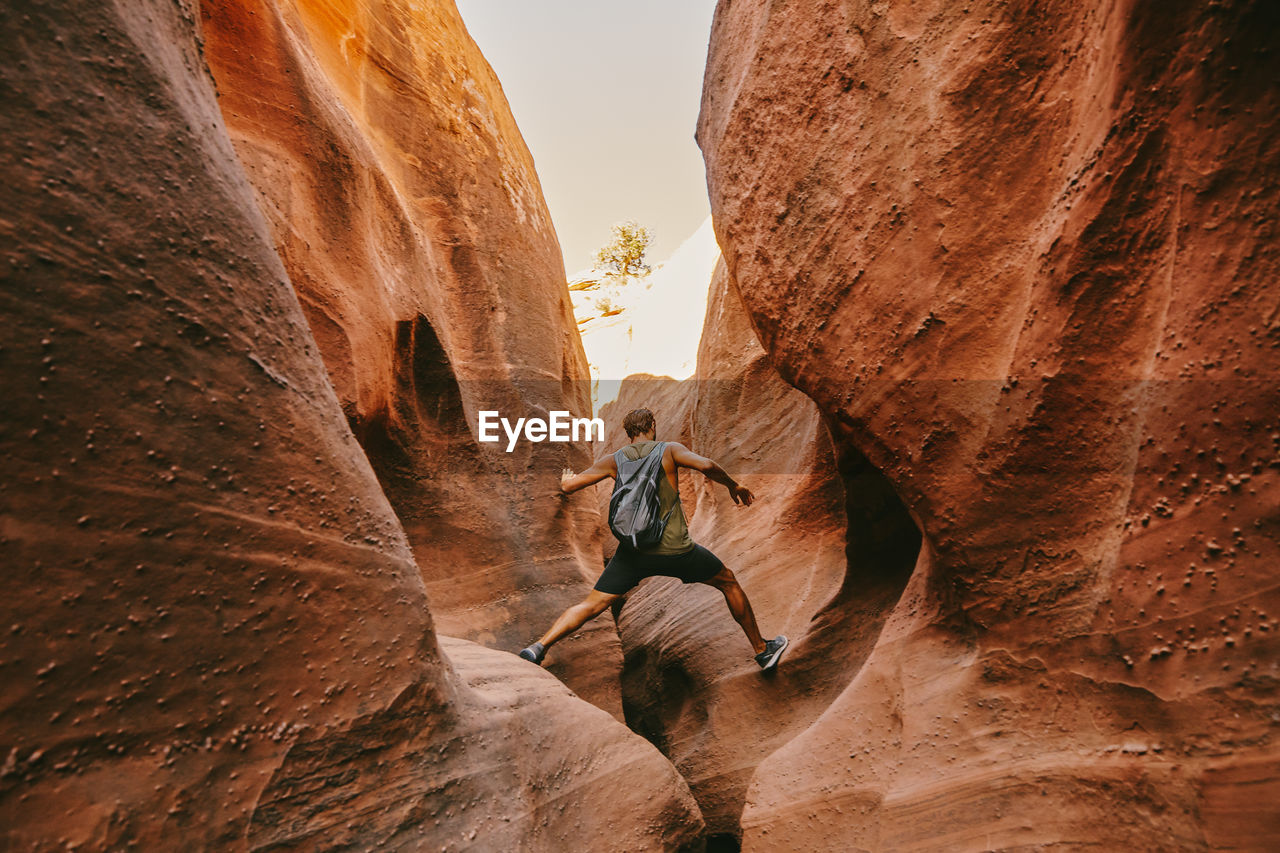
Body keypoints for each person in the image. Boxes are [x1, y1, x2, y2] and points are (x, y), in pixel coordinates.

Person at [518, 407, 788, 671]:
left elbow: (569, 486)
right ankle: (762, 651)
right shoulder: (668, 450)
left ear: (628, 433)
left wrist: (566, 479)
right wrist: (734, 485)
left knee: (591, 604)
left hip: (633, 554)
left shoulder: (614, 460)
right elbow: (706, 465)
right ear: (652, 427)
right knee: (727, 581)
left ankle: (539, 647)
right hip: (676, 550)